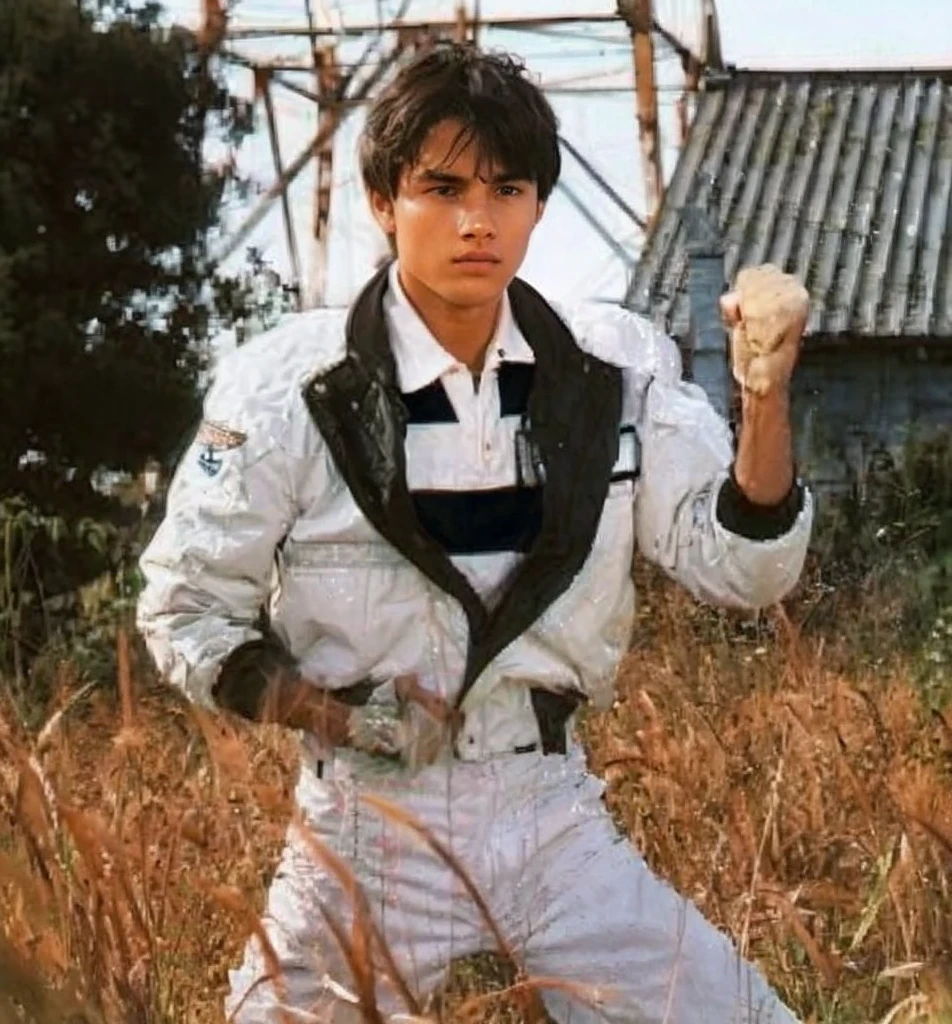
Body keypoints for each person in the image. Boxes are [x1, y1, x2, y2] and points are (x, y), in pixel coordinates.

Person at [137, 42, 813, 1024]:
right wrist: (331, 714)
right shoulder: (284, 388)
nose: (475, 220)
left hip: (549, 819)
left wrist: (764, 398)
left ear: (538, 205)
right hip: (366, 824)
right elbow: (186, 604)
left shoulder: (610, 368)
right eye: (440, 188)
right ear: (382, 201)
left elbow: (743, 566)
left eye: (506, 189)